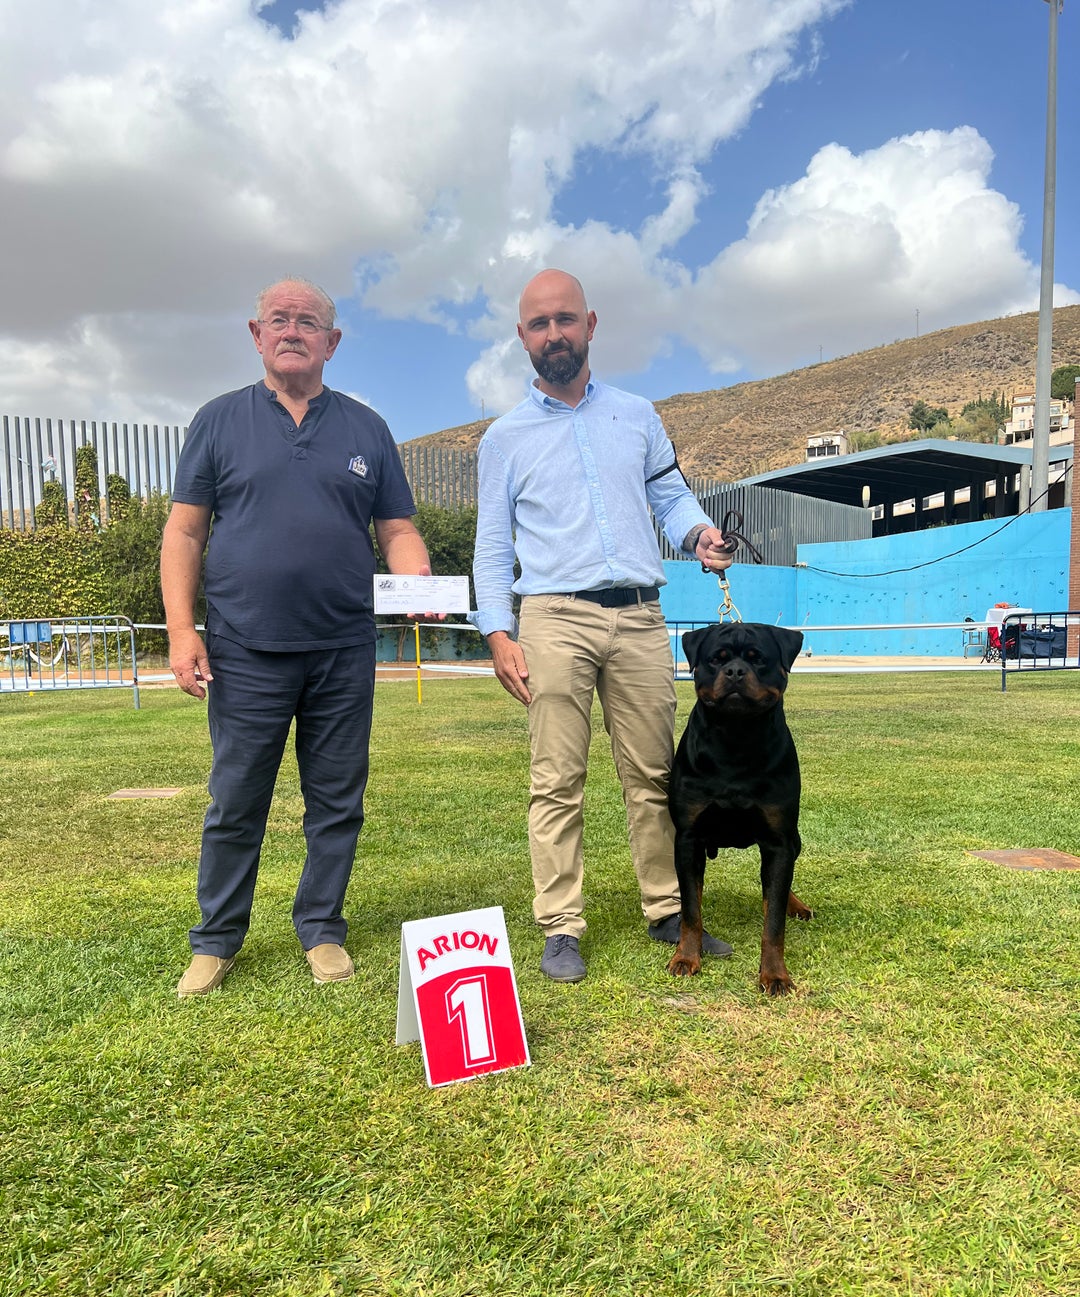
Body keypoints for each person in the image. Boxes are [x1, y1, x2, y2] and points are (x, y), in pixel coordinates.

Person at [161, 277, 433, 997]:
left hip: (342, 646)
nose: (292, 330)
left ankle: (322, 929)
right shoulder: (218, 420)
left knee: (337, 799)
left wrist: (415, 585)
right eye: (278, 319)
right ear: (256, 334)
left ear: (331, 342)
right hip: (243, 646)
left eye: (307, 322)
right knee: (236, 798)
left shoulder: (366, 429)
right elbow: (186, 530)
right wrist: (182, 630)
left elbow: (397, 527)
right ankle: (216, 940)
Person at [471, 268, 735, 983]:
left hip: (641, 617)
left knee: (653, 772)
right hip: (552, 617)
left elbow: (671, 498)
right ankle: (561, 926)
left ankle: (667, 910)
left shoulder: (638, 416)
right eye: (538, 324)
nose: (552, 333)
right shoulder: (503, 438)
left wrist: (698, 537)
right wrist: (499, 632)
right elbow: (492, 547)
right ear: (522, 337)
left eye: (564, 319)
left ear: (591, 324)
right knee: (557, 778)